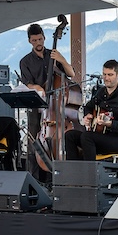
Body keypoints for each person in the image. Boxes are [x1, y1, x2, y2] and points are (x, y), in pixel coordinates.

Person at [19, 23, 75, 180]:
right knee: (33, 142)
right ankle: (33, 180)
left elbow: (71, 73)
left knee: (59, 140)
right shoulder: (25, 61)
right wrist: (38, 87)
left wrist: (62, 60)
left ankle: (59, 177)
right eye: (34, 40)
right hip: (36, 105)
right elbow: (28, 83)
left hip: (55, 108)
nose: (38, 43)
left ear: (44, 37)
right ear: (30, 41)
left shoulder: (54, 55)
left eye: (40, 39)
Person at [65, 59, 118, 161]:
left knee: (87, 137)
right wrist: (88, 115)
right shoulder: (101, 92)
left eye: (110, 75)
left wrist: (110, 124)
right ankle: (73, 172)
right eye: (104, 74)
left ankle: (90, 173)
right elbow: (88, 106)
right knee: (70, 135)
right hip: (101, 137)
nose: (106, 78)